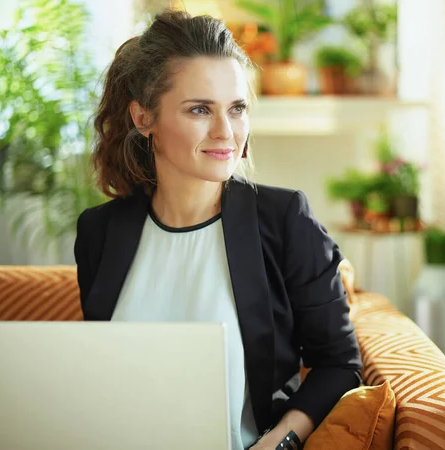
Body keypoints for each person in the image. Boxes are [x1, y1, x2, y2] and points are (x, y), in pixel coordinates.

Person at [74, 10, 362, 450]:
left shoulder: (286, 221)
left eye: (237, 108)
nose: (225, 132)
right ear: (143, 118)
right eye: (199, 110)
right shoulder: (99, 233)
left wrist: (278, 443)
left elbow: (339, 363)